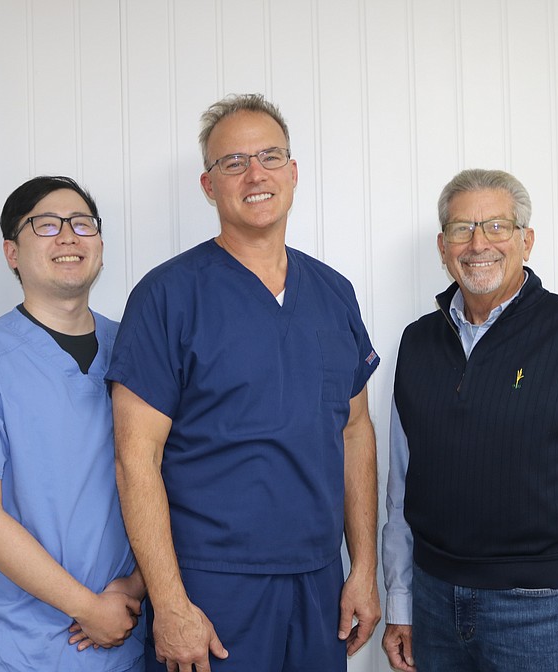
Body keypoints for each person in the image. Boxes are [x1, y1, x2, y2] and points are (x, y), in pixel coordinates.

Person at [107, 93, 381, 671]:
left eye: (270, 156)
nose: (255, 174)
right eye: (233, 162)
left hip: (319, 579)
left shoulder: (333, 293)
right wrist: (171, 603)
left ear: (294, 172)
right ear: (209, 186)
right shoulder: (167, 297)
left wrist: (363, 567)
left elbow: (355, 431)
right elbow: (136, 458)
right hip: (212, 586)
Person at [381, 169, 558, 672]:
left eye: (497, 227)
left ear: (526, 240)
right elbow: (402, 487)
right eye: (462, 229)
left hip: (545, 613)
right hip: (434, 605)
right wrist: (401, 602)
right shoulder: (416, 343)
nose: (478, 243)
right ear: (443, 247)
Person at [0, 176, 146, 671]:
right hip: (21, 647)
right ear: (11, 252)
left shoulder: (135, 351)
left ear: (100, 246)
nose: (68, 236)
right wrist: (88, 609)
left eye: (82, 224)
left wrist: (134, 589)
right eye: (46, 225)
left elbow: (168, 481)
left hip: (128, 634)